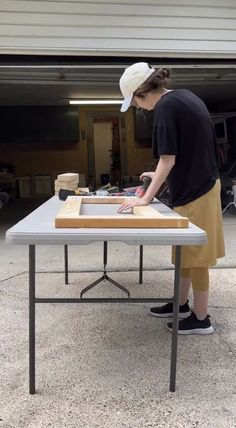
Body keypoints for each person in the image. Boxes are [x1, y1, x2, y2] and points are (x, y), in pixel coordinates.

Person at [118, 62, 225, 335]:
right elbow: (188, 150)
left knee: (197, 256)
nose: (137, 108)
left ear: (142, 93)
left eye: (134, 103)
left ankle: (201, 319)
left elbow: (168, 158)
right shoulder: (184, 97)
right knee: (183, 252)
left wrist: (144, 199)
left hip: (197, 190)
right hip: (197, 185)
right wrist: (156, 176)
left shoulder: (165, 109)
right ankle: (181, 305)